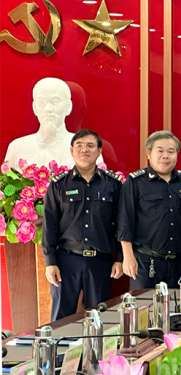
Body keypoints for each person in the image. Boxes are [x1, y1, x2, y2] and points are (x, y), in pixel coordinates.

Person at [42, 129, 123, 321]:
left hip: (100, 262)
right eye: (79, 146)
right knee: (62, 319)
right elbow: (49, 226)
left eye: (90, 146)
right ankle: (59, 351)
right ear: (71, 151)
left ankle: (96, 352)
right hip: (66, 261)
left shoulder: (113, 185)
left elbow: (121, 224)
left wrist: (120, 258)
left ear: (99, 151)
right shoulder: (58, 185)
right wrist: (50, 262)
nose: (84, 150)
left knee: (98, 318)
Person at [117, 131, 181, 289]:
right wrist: (128, 256)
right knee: (144, 311)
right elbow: (125, 221)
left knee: (178, 310)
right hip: (145, 262)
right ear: (149, 153)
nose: (165, 156)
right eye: (160, 151)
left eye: (171, 151)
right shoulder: (135, 182)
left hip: (179, 263)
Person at [5, 78, 102, 170]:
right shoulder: (17, 148)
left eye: (55, 101)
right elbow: (5, 184)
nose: (48, 109)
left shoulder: (88, 148)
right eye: (41, 102)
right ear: (34, 107)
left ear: (68, 107)